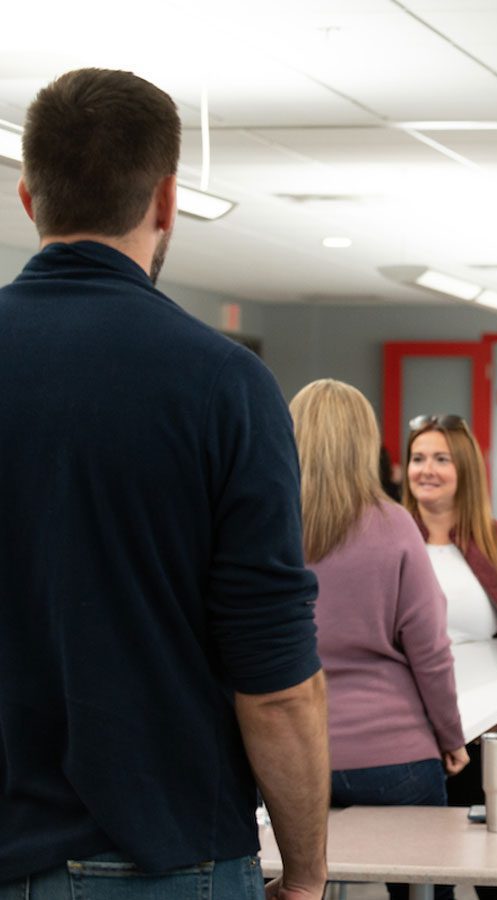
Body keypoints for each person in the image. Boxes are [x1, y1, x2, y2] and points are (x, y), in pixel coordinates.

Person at [0, 69, 328, 900]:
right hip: (164, 856)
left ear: (29, 196)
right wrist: (309, 871)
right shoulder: (223, 384)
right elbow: (276, 684)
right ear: (168, 201)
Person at [289, 380, 468, 900]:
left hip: (291, 754)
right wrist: (451, 738)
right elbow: (430, 651)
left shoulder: (263, 526)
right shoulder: (394, 526)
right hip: (395, 759)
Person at [402, 414, 497, 899]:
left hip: (487, 736)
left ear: (465, 469)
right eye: (418, 458)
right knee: (416, 878)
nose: (427, 469)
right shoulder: (392, 545)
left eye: (441, 459)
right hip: (410, 737)